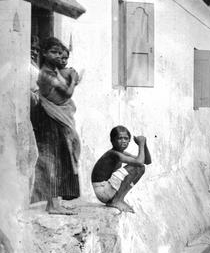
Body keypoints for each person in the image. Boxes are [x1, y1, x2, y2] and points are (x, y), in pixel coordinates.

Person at [30, 37, 81, 215]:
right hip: (49, 118)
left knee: (61, 158)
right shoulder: (46, 73)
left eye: (60, 53)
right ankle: (52, 205)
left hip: (55, 117)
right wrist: (73, 80)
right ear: (44, 53)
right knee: (52, 159)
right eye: (53, 52)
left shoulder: (55, 70)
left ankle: (57, 201)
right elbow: (67, 92)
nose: (58, 55)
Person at [90, 126, 151, 213]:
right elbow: (139, 162)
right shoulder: (114, 154)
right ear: (112, 141)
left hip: (107, 190)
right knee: (137, 167)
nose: (123, 141)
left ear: (129, 140)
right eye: (120, 138)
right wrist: (141, 144)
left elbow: (147, 161)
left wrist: (144, 144)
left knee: (141, 168)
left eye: (126, 138)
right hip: (102, 190)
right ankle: (117, 200)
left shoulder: (121, 153)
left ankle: (119, 199)